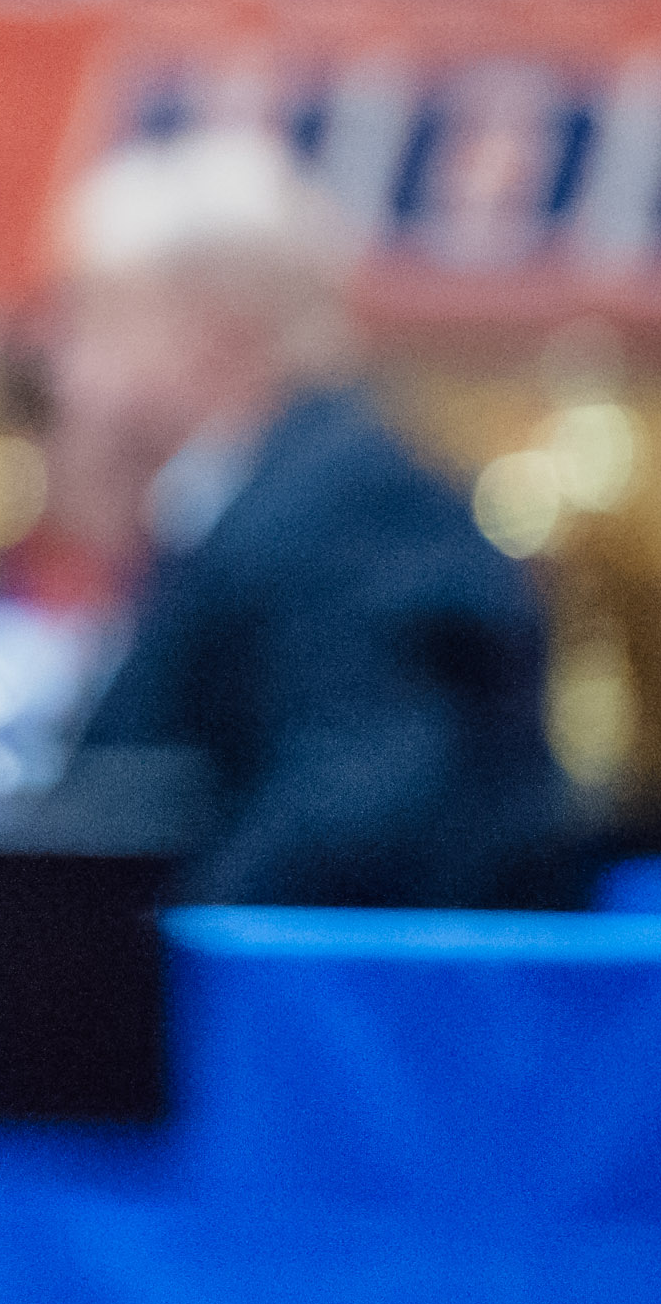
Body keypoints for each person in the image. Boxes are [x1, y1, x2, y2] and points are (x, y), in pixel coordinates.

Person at [46, 129, 584, 906]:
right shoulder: (258, 507)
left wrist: (147, 945)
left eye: (93, 323)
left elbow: (358, 818)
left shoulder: (360, 514)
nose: (64, 376)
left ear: (208, 335)